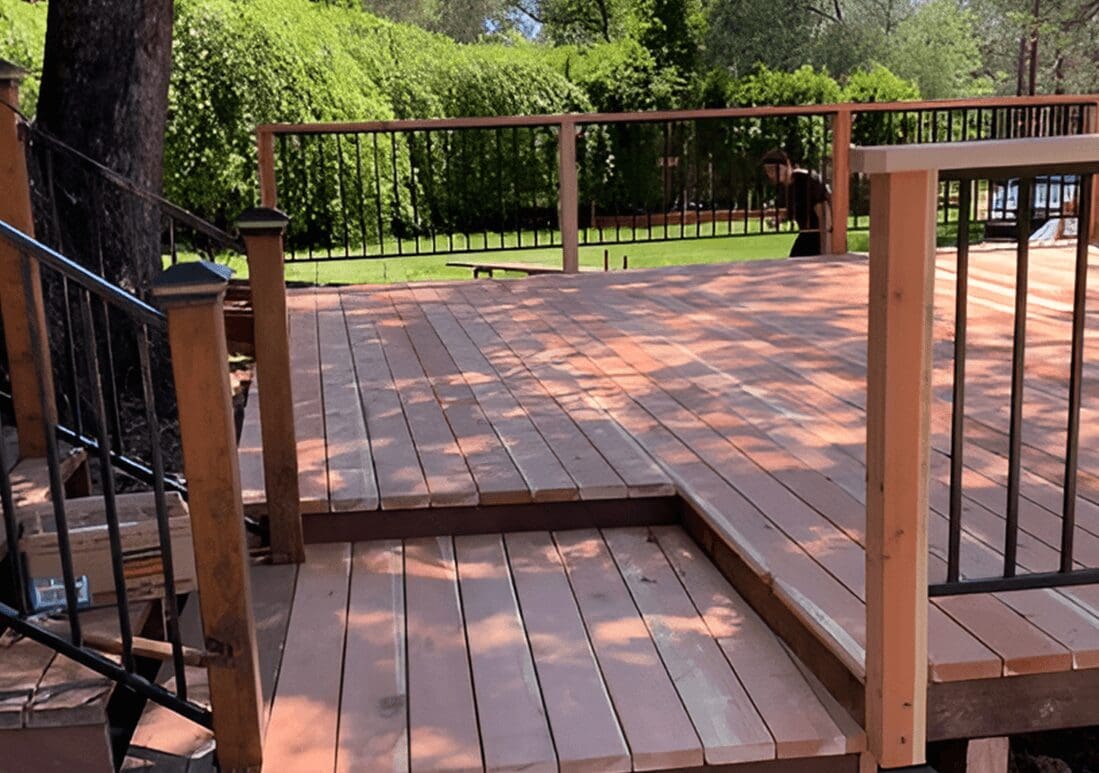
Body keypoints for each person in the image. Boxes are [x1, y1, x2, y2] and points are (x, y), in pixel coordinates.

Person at [761, 149, 832, 257]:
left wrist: (825, 244)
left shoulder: (806, 179)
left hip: (818, 233)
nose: (771, 174)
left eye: (775, 169)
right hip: (806, 233)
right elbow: (796, 210)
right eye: (768, 171)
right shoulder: (786, 186)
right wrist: (779, 219)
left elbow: (822, 212)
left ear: (787, 165)